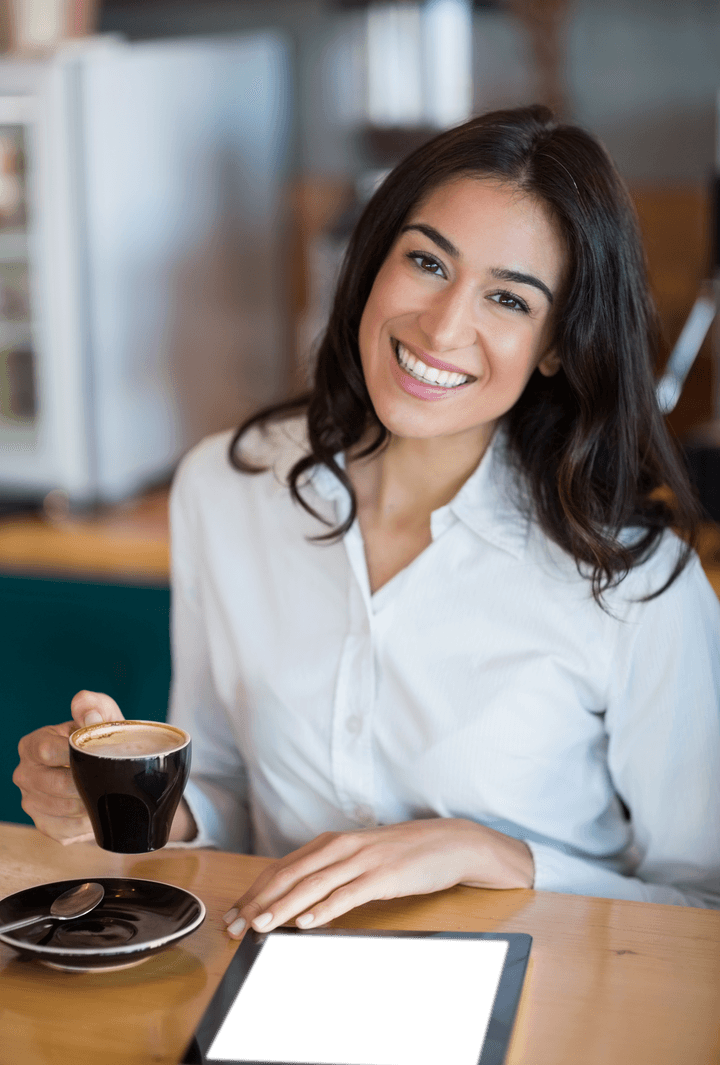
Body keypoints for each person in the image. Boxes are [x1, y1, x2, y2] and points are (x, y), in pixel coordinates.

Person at [14, 107, 720, 936]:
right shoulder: (225, 488)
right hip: (285, 975)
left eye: (508, 298)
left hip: (540, 1007)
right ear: (372, 260)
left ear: (558, 345)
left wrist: (490, 854)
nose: (445, 326)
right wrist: (124, 801)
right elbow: (230, 795)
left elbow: (703, 902)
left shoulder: (635, 581)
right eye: (426, 261)